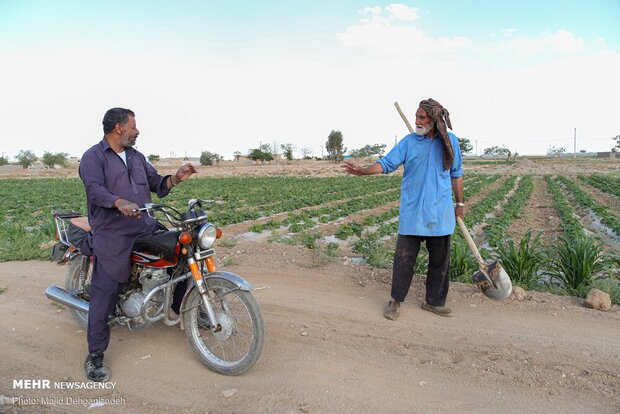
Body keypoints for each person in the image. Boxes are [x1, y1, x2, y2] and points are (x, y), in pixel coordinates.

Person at [79, 107, 196, 381]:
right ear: (119, 127)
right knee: (105, 290)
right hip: (112, 232)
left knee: (182, 252)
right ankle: (95, 354)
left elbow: (157, 183)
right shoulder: (93, 157)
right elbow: (95, 190)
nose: (137, 130)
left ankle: (180, 307)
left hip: (144, 224)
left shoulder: (136, 156)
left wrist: (176, 178)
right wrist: (118, 202)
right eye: (134, 126)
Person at [343, 98, 464, 321]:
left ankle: (434, 302)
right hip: (413, 214)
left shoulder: (450, 142)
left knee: (440, 262)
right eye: (416, 116)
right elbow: (387, 163)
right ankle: (395, 301)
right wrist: (364, 171)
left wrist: (460, 204)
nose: (416, 121)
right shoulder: (409, 142)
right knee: (404, 260)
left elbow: (456, 173)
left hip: (440, 213)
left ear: (435, 120)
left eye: (421, 117)